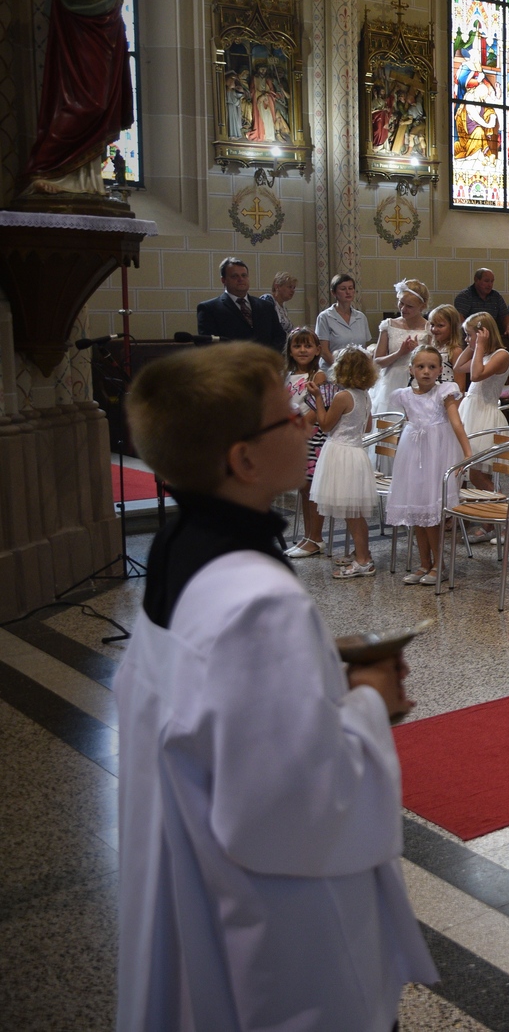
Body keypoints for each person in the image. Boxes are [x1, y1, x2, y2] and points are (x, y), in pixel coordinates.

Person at [116, 342, 436, 1031]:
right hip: (280, 924)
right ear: (244, 460)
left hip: (199, 869)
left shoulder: (180, 546)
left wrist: (313, 668)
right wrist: (368, 698)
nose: (303, 420)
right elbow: (301, 804)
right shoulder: (259, 604)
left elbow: (220, 710)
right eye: (287, 416)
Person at [21, 0, 133, 198]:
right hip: (79, 29)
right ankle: (47, 170)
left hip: (103, 30)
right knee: (84, 102)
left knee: (101, 102)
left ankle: (85, 181)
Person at [387, 345, 470, 585]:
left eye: (432, 367)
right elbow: (410, 421)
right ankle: (424, 563)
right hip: (413, 455)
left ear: (440, 370)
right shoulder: (404, 395)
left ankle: (438, 565)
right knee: (416, 512)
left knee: (431, 515)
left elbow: (456, 423)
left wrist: (467, 452)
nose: (426, 371)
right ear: (411, 369)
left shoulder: (445, 392)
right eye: (420, 366)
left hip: (436, 456)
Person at [308, 346, 380, 578]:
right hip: (355, 452)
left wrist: (318, 399)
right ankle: (362, 552)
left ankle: (363, 561)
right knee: (353, 511)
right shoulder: (364, 395)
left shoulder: (342, 397)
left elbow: (325, 425)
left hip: (341, 453)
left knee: (352, 513)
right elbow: (367, 427)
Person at [281, 328, 335, 560]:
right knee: (303, 488)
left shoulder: (318, 376)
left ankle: (316, 538)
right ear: (290, 350)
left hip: (311, 436)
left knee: (313, 489)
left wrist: (299, 429)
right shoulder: (287, 375)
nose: (302, 350)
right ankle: (308, 535)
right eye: (297, 346)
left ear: (317, 350)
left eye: (307, 346)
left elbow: (317, 408)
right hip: (294, 436)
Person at [455, 312, 509, 492]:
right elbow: (458, 367)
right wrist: (473, 346)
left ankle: (501, 504)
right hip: (470, 412)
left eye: (469, 335)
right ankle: (473, 508)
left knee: (477, 475)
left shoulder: (501, 354)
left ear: (483, 334)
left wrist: (478, 346)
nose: (466, 339)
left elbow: (476, 375)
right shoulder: (482, 355)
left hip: (484, 415)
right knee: (464, 470)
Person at [197, 257, 287, 352]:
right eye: (234, 276)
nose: (241, 279)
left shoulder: (266, 306)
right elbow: (208, 345)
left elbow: (280, 336)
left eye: (244, 275)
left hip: (265, 359)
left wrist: (265, 356)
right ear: (223, 280)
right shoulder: (209, 309)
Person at [371, 279, 431, 413]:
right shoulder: (389, 325)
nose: (403, 309)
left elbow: (434, 361)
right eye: (401, 303)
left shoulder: (428, 329)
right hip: (391, 381)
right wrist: (399, 353)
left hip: (417, 381)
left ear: (422, 306)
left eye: (409, 306)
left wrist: (417, 351)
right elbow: (377, 361)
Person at [315, 273, 372, 367]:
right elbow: (324, 351)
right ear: (333, 292)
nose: (348, 292)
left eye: (350, 288)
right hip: (333, 370)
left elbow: (364, 348)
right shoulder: (325, 317)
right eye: (343, 289)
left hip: (357, 370)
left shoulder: (361, 317)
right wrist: (341, 369)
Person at [454, 267, 509, 339]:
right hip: (470, 338)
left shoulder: (496, 296)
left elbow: (505, 316)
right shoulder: (465, 296)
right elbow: (459, 319)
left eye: (492, 281)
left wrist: (508, 330)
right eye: (486, 281)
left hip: (492, 337)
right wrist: (472, 334)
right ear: (476, 280)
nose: (490, 285)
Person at [424, 304, 466, 383]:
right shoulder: (432, 348)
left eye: (440, 326)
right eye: (432, 325)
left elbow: (460, 384)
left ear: (452, 327)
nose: (434, 329)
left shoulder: (454, 351)